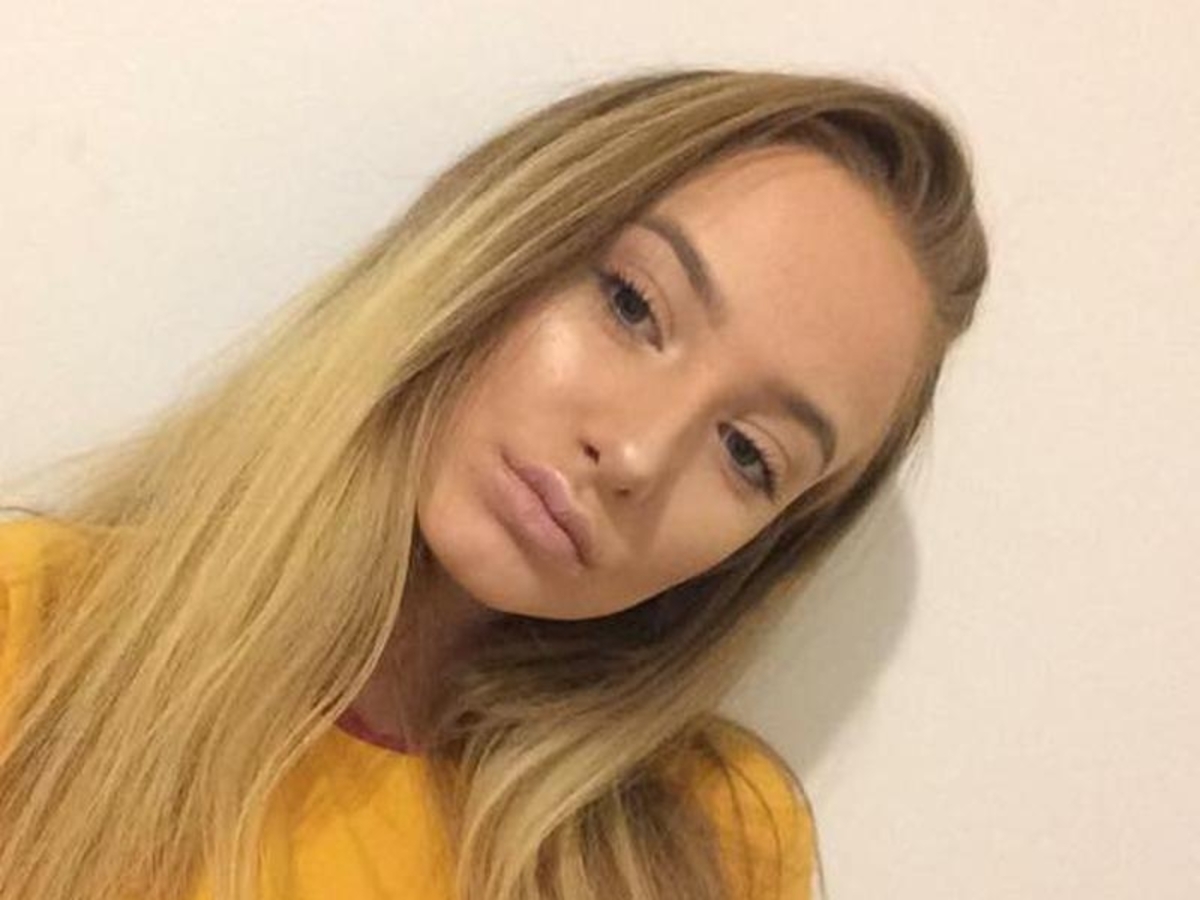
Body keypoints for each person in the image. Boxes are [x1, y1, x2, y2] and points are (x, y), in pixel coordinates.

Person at [0, 67, 988, 900]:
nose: (637, 453)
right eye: (633, 304)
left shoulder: (714, 846)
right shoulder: (34, 637)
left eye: (748, 455)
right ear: (505, 241)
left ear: (760, 550)